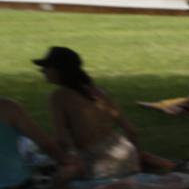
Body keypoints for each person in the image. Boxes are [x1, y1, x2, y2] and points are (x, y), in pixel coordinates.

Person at [35, 46, 175, 178]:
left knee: (47, 168)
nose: (42, 71)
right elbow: (131, 130)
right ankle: (166, 164)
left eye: (46, 67)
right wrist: (137, 157)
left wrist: (62, 162)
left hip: (99, 164)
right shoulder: (99, 92)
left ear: (59, 70)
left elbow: (62, 140)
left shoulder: (59, 96)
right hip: (127, 155)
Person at [0, 96, 79, 186]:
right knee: (74, 167)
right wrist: (66, 160)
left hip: (13, 181)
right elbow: (46, 144)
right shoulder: (7, 107)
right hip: (14, 184)